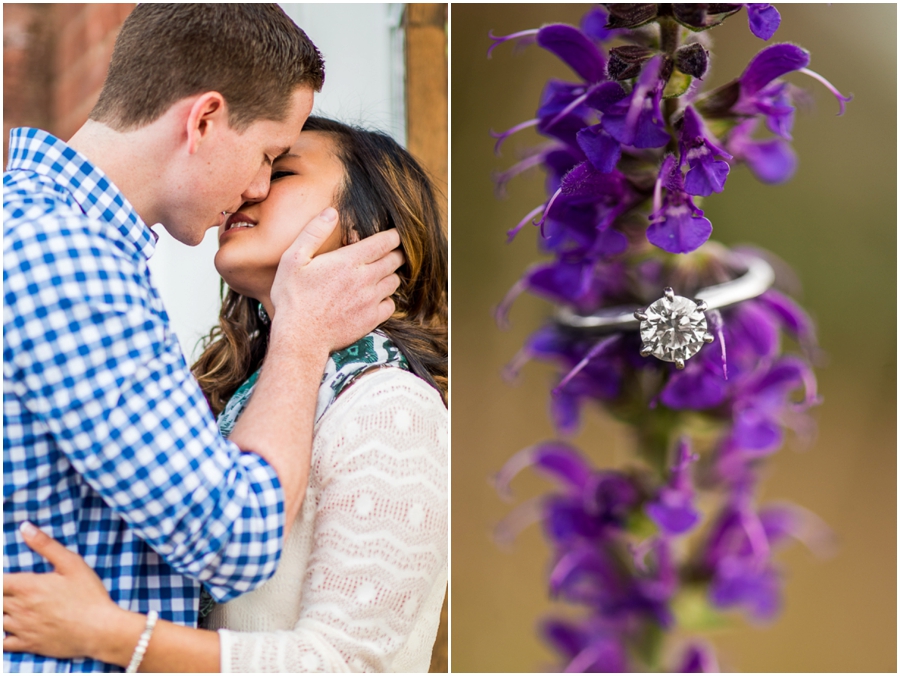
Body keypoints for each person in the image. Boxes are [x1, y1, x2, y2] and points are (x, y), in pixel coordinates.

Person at [3, 6, 403, 672]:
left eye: (280, 170)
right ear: (205, 119)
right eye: (268, 156)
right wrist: (301, 337)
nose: (254, 189)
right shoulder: (66, 261)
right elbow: (233, 538)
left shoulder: (58, 240)